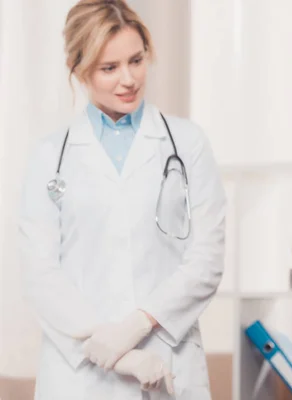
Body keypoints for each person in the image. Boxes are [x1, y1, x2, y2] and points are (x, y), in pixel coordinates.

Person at [18, 0, 226, 398]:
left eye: (136, 60)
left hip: (166, 356)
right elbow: (40, 275)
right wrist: (120, 354)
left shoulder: (186, 142)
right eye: (109, 68)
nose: (128, 79)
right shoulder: (49, 156)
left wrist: (138, 325)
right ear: (78, 69)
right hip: (80, 373)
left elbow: (207, 259)